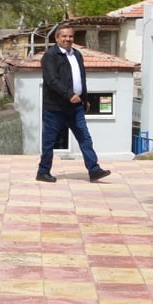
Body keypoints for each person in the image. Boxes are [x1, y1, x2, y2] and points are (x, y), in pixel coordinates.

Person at [37, 22, 111, 183]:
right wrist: (68, 94)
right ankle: (43, 172)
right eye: (64, 36)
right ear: (57, 38)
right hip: (55, 107)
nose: (68, 39)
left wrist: (84, 99)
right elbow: (51, 80)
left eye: (70, 36)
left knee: (85, 137)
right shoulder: (50, 56)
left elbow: (81, 79)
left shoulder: (77, 54)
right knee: (50, 141)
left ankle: (94, 170)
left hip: (75, 107)